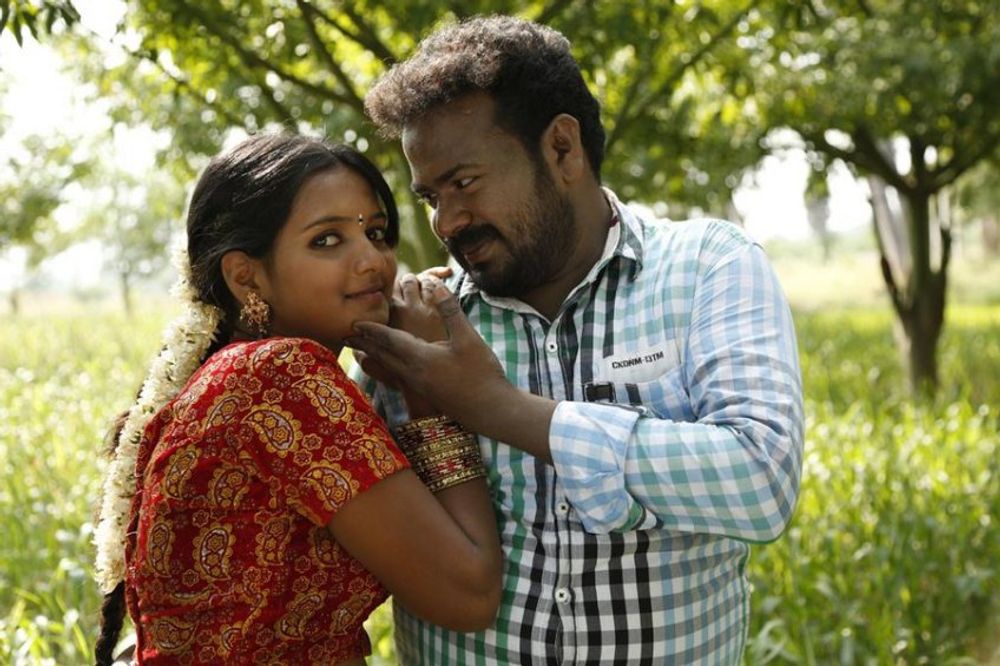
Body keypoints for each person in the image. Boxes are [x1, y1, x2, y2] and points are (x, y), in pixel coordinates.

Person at [351, 15, 805, 664]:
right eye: (430, 197)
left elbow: (761, 483)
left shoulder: (708, 266)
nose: (447, 222)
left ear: (563, 149)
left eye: (465, 183)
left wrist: (496, 408)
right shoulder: (420, 324)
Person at [91, 133, 502, 666]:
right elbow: (469, 594)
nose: (373, 261)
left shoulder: (229, 375)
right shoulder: (280, 375)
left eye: (376, 233)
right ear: (246, 276)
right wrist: (427, 383)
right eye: (327, 240)